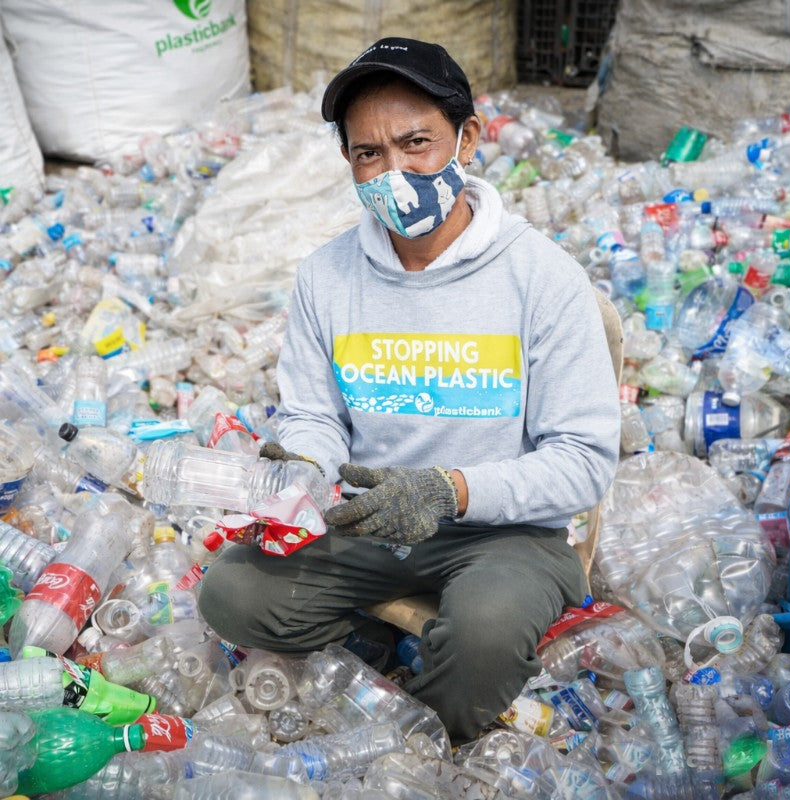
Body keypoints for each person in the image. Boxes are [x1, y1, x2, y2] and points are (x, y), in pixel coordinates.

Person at [199, 36, 621, 741]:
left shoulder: (542, 278)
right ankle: (373, 642)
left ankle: (426, 745)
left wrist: (449, 492)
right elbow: (313, 415)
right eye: (369, 154)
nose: (393, 171)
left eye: (416, 143)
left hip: (503, 530)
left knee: (485, 635)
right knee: (232, 593)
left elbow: (581, 462)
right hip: (365, 520)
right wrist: (302, 465)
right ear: (349, 163)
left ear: (468, 139)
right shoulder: (326, 276)